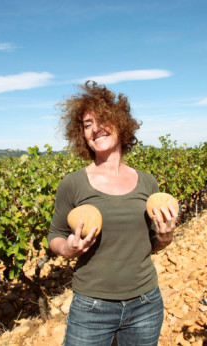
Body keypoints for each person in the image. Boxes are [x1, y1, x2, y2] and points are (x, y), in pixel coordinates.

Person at [47, 81, 178, 346]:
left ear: (121, 123)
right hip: (91, 308)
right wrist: (68, 249)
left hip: (145, 304)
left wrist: (165, 238)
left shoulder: (147, 183)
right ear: (81, 135)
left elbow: (151, 243)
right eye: (86, 125)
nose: (95, 129)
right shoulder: (73, 183)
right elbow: (56, 236)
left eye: (102, 120)